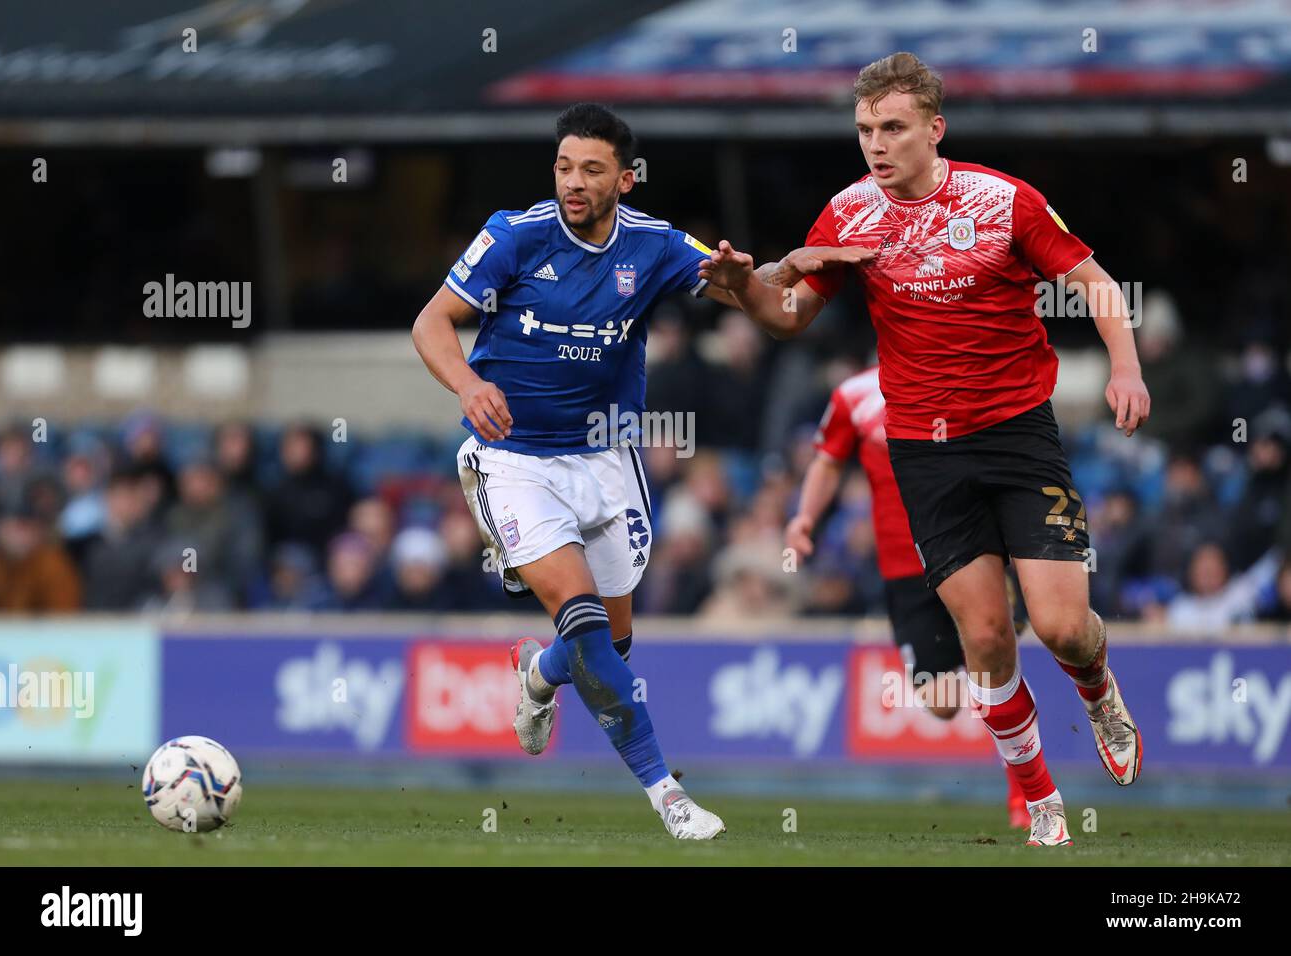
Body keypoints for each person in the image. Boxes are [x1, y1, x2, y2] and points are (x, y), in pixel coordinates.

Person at [700, 52, 1151, 846]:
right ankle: (1040, 802)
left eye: (893, 128)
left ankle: (1097, 688)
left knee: (1062, 628)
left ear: (933, 129)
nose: (876, 144)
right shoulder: (845, 213)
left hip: (1018, 438)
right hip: (924, 452)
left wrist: (1125, 364)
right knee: (983, 637)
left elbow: (1097, 284)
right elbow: (789, 316)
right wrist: (741, 285)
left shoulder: (1002, 199)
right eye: (866, 129)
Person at [411, 103, 755, 839]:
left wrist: (758, 274)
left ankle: (539, 674)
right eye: (564, 166)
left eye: (592, 169)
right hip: (513, 461)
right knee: (589, 625)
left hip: (606, 458)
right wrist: (469, 386)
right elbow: (430, 322)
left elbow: (744, 288)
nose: (574, 181)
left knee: (612, 644)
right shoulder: (516, 234)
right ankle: (670, 796)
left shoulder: (655, 245)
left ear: (624, 179)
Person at [788, 366, 1031, 828]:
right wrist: (804, 519)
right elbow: (828, 459)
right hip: (904, 567)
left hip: (970, 554)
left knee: (995, 663)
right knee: (942, 703)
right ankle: (993, 685)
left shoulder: (958, 378)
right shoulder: (853, 396)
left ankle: (1026, 793)